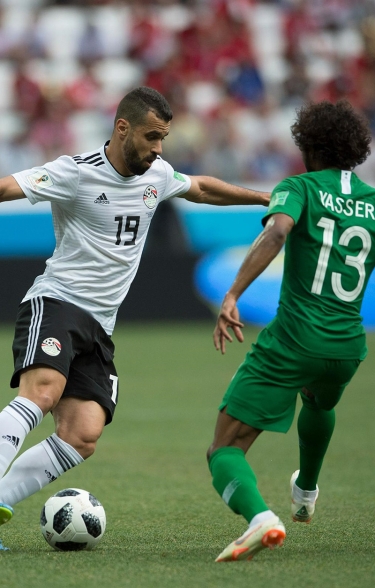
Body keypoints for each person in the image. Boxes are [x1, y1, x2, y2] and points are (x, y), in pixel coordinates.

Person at [0, 86, 269, 534]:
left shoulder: (157, 174)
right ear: (122, 128)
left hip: (100, 325)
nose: (158, 148)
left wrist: (264, 198)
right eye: (151, 137)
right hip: (58, 302)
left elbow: (200, 187)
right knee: (41, 392)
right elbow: (10, 185)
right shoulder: (75, 173)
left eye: (163, 138)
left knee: (83, 434)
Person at [207, 99, 374, 562]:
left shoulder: (298, 186)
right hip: (347, 345)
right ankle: (306, 490)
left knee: (224, 448)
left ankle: (261, 518)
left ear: (307, 147)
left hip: (295, 339)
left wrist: (233, 294)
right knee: (320, 399)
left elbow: (278, 231)